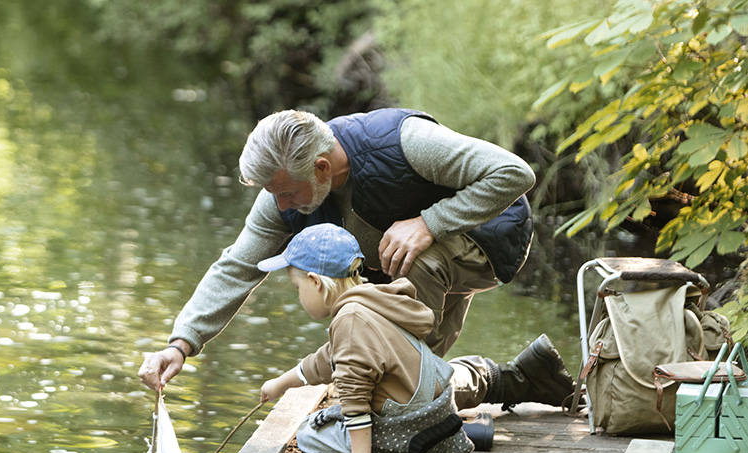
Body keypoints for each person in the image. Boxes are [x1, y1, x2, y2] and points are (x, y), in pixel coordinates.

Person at [139, 107, 559, 407]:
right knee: (415, 384)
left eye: (287, 193)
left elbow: (514, 173)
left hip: (486, 234)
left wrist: (430, 222)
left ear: (322, 168)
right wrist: (180, 344)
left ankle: (408, 396)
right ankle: (514, 379)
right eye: (274, 194)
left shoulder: (404, 142)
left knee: (396, 383)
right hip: (402, 260)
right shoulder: (285, 191)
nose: (281, 205)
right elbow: (238, 265)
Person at [253, 224, 572, 453]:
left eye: (298, 288)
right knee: (330, 418)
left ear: (316, 282)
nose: (299, 296)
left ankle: (415, 445)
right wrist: (281, 383)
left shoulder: (349, 321)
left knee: (310, 431)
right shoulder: (372, 303)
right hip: (430, 417)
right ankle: (460, 433)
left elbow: (353, 393)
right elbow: (328, 359)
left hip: (409, 433)